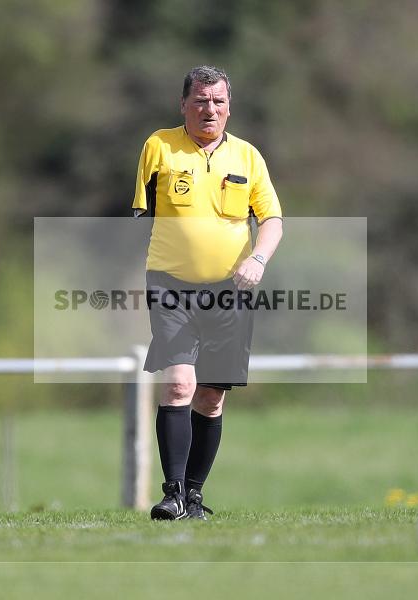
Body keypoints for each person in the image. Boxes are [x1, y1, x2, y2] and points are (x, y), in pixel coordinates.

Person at [132, 65, 284, 520]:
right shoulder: (158, 147)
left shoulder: (248, 157)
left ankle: (194, 496)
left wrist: (257, 259)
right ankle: (172, 494)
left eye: (218, 101)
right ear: (183, 105)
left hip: (230, 289)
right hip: (171, 284)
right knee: (179, 382)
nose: (209, 109)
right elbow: (141, 216)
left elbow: (272, 219)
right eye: (200, 100)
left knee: (212, 396)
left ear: (229, 107)